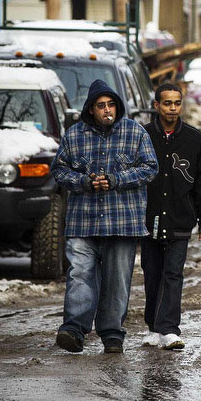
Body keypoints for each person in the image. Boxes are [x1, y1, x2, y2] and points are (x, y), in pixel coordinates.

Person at [52, 79, 157, 354]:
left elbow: (150, 168)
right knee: (79, 274)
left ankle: (112, 334)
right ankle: (73, 329)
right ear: (90, 110)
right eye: (101, 106)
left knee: (117, 279)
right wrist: (84, 181)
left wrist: (116, 179)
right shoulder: (74, 135)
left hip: (122, 222)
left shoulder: (135, 133)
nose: (107, 110)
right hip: (82, 220)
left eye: (111, 105)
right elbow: (59, 171)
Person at [141, 82, 201, 351]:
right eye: (167, 103)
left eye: (177, 103)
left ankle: (170, 329)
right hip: (148, 219)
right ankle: (153, 326)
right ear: (156, 105)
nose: (172, 108)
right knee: (151, 273)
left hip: (180, 217)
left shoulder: (194, 139)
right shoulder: (143, 136)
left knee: (173, 273)